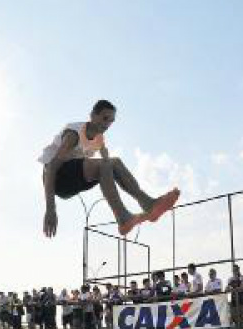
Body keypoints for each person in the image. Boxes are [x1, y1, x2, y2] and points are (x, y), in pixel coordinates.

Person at [39, 100, 180, 238]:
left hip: (74, 178)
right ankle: (122, 216)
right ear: (93, 115)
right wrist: (50, 209)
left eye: (111, 121)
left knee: (114, 162)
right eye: (105, 118)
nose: (107, 125)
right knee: (105, 165)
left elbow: (109, 161)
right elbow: (51, 168)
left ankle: (147, 204)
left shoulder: (99, 138)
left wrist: (113, 168)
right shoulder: (74, 134)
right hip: (57, 179)